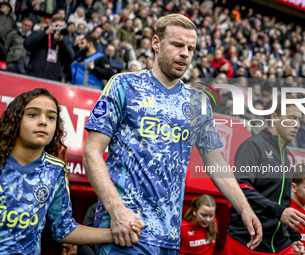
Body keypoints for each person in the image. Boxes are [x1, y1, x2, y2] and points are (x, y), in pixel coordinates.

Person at [83, 14, 262, 255]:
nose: (185, 53)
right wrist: (116, 210)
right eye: (178, 45)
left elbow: (215, 161)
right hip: (125, 233)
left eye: (191, 48)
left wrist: (245, 207)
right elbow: (91, 152)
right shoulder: (123, 85)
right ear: (156, 43)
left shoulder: (198, 102)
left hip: (169, 240)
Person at [0, 88, 144, 254]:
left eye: (51, 117)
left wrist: (118, 233)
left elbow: (63, 229)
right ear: (15, 119)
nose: (43, 122)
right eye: (33, 114)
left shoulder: (55, 170)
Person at [224, 96, 305, 255]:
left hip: (281, 246)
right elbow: (241, 188)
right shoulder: (252, 146)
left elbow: (283, 201)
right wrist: (278, 211)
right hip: (248, 242)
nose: (297, 125)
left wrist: (294, 237)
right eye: (291, 118)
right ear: (275, 117)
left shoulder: (289, 156)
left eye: (299, 119)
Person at [24, 14, 75, 81]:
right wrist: (46, 33)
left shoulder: (65, 40)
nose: (59, 28)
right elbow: (27, 44)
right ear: (51, 24)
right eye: (58, 26)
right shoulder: (38, 33)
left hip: (53, 79)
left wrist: (60, 42)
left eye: (62, 27)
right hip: (34, 76)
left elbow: (71, 58)